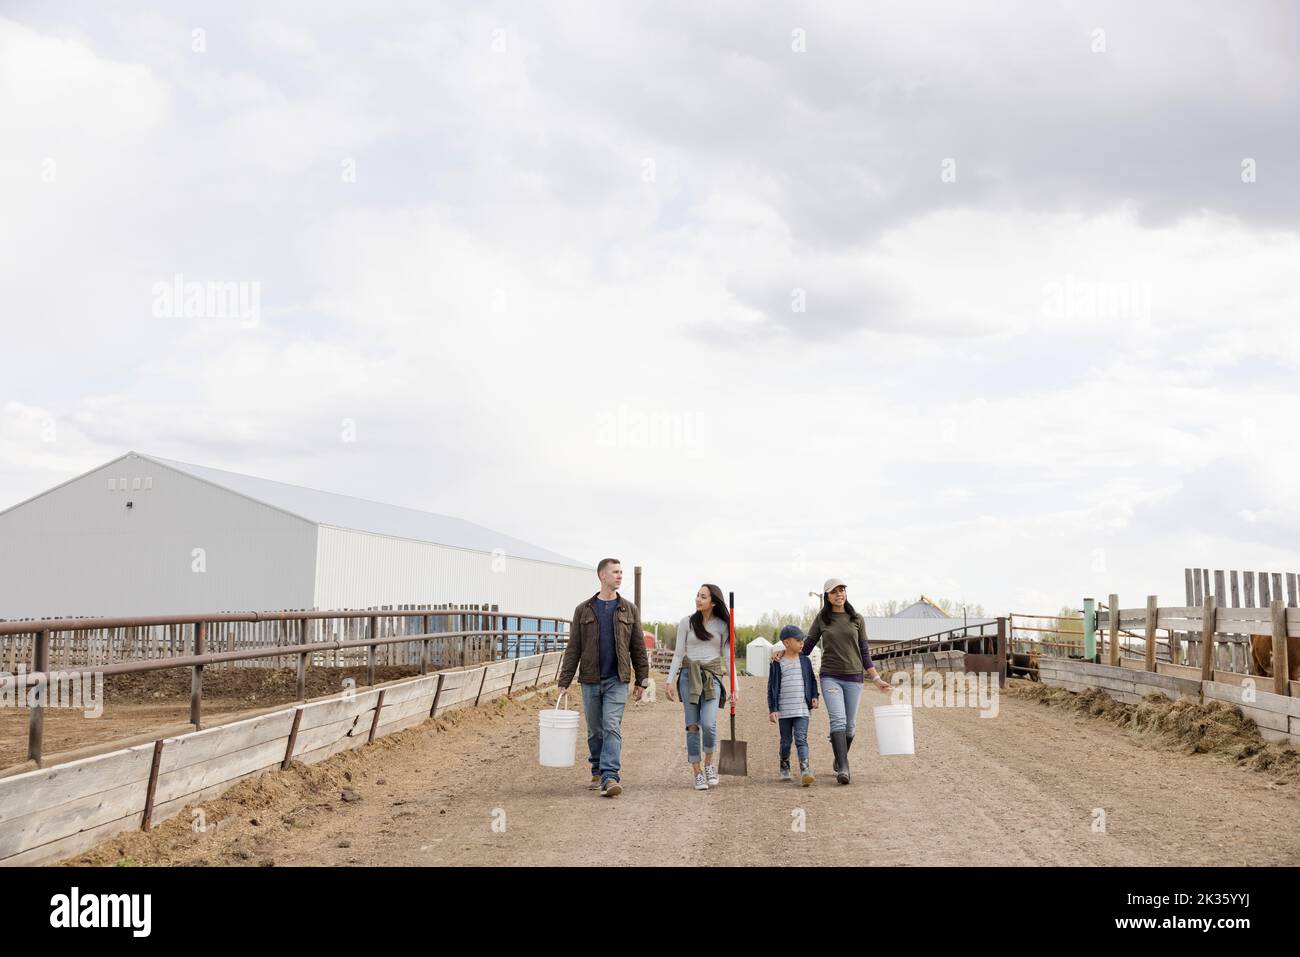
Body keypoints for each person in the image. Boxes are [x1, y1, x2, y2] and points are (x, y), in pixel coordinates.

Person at [780, 577, 891, 784]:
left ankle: (839, 758)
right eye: (834, 592)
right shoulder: (822, 619)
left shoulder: (856, 619)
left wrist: (875, 678)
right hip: (830, 676)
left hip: (854, 678)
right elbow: (806, 647)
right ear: (827, 596)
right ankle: (844, 768)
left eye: (842, 590)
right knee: (838, 720)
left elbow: (865, 652)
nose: (839, 594)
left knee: (850, 727)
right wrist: (783, 653)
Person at [556, 558, 650, 797]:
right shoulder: (584, 610)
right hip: (589, 679)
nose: (620, 576)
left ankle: (610, 776)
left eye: (621, 572)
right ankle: (597, 769)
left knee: (611, 726)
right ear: (602, 576)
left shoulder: (629, 609)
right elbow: (573, 648)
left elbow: (637, 647)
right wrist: (564, 681)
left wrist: (642, 679)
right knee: (595, 730)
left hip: (617, 679)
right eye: (615, 572)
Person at [665, 584, 735, 790]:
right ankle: (697, 772)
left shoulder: (723, 626)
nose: (698, 599)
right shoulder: (686, 623)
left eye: (703, 597)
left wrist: (734, 687)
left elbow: (729, 659)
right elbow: (678, 654)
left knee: (708, 723)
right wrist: (670, 680)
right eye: (697, 595)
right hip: (688, 677)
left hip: (712, 677)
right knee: (692, 724)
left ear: (713, 602)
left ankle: (709, 764)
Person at [767, 624, 819, 786]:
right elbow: (772, 687)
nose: (802, 643)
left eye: (802, 640)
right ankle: (784, 765)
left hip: (802, 708)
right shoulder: (777, 663)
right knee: (786, 741)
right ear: (786, 643)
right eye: (798, 640)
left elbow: (811, 680)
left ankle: (805, 771)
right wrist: (773, 709)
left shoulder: (805, 661)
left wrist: (814, 696)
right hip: (784, 710)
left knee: (801, 739)